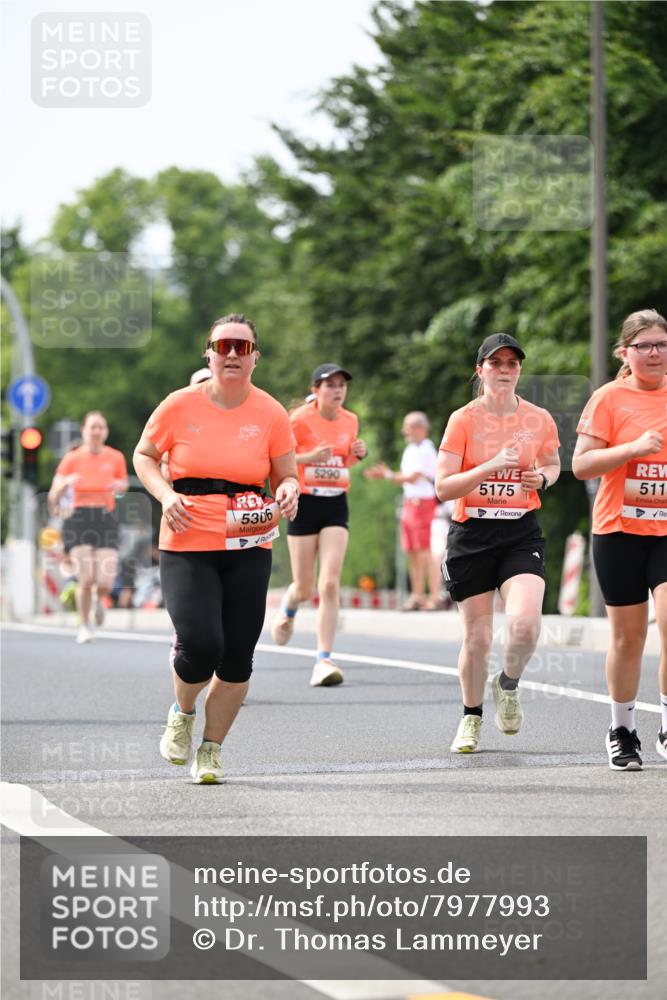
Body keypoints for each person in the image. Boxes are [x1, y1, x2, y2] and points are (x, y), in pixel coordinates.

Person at [133, 313, 299, 784]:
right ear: (208, 354)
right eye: (223, 346)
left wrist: (289, 490)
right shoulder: (179, 404)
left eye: (241, 347)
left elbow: (286, 473)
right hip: (188, 537)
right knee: (202, 643)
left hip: (248, 539)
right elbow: (144, 456)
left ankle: (211, 750)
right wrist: (165, 496)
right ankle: (183, 713)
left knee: (238, 655)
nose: (231, 354)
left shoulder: (271, 413)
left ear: (255, 358)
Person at [435, 333, 561, 753]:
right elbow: (443, 486)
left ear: (519, 370)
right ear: (480, 370)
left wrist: (542, 478)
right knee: (478, 638)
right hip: (472, 534)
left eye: (512, 363)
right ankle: (470, 717)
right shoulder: (463, 420)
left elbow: (552, 462)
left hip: (519, 532)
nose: (504, 370)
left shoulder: (538, 418)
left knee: (524, 625)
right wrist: (489, 466)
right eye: (496, 363)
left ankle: (508, 683)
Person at [573, 308, 667, 770]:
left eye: (661, 344)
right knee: (629, 638)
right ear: (624, 353)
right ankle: (622, 730)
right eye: (643, 345)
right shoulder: (608, 398)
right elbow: (581, 465)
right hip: (619, 530)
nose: (654, 353)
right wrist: (632, 449)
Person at [270, 363, 367, 686]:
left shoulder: (350, 420)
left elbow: (344, 459)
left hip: (336, 503)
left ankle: (323, 659)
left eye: (342, 385)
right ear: (316, 390)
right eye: (330, 385)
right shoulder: (298, 420)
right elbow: (278, 459)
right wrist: (308, 458)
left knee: (329, 583)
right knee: (305, 587)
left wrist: (358, 453)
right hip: (305, 503)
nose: (337, 391)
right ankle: (289, 606)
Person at [48, 412, 128, 644]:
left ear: (106, 431)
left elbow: (123, 485)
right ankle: (84, 625)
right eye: (92, 427)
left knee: (105, 582)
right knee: (86, 578)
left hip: (105, 518)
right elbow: (53, 496)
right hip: (78, 519)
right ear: (83, 430)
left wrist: (120, 486)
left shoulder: (116, 457)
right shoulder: (72, 459)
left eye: (101, 427)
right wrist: (64, 484)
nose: (96, 431)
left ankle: (98, 600)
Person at [365, 411, 443, 610]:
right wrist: (389, 475)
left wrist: (387, 474)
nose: (404, 431)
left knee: (424, 550)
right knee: (412, 551)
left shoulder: (426, 449)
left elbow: (413, 477)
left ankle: (434, 596)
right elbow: (405, 477)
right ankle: (417, 595)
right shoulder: (410, 449)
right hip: (410, 502)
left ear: (421, 428)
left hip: (423, 503)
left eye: (408, 427)